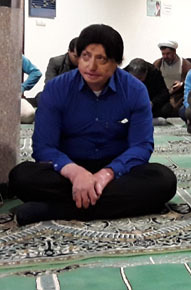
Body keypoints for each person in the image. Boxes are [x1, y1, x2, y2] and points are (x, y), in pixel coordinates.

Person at [9, 24, 177, 226]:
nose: (91, 66)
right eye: (86, 57)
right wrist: (76, 173)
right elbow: (44, 147)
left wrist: (107, 173)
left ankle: (56, 209)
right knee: (21, 177)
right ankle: (112, 205)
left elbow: (141, 146)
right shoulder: (56, 88)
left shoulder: (135, 90)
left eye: (101, 59)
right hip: (68, 168)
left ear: (116, 62)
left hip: (116, 170)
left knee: (164, 180)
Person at [153, 40, 191, 117]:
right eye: (163, 54)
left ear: (174, 51)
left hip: (179, 97)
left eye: (168, 54)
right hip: (162, 96)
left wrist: (181, 84)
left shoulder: (185, 64)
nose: (165, 56)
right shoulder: (157, 64)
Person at [124, 58, 170, 124]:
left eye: (140, 78)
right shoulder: (123, 74)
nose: (137, 82)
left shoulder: (154, 72)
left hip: (151, 105)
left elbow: (164, 93)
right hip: (131, 106)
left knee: (167, 108)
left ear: (146, 72)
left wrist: (152, 103)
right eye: (134, 79)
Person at [35, 38, 79, 106]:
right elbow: (49, 85)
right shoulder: (56, 62)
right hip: (58, 96)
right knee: (42, 97)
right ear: (69, 51)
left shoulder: (87, 64)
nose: (79, 59)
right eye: (76, 56)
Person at [21, 55, 42, 123]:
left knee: (29, 114)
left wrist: (22, 87)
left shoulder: (15, 56)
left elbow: (36, 73)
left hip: (11, 99)